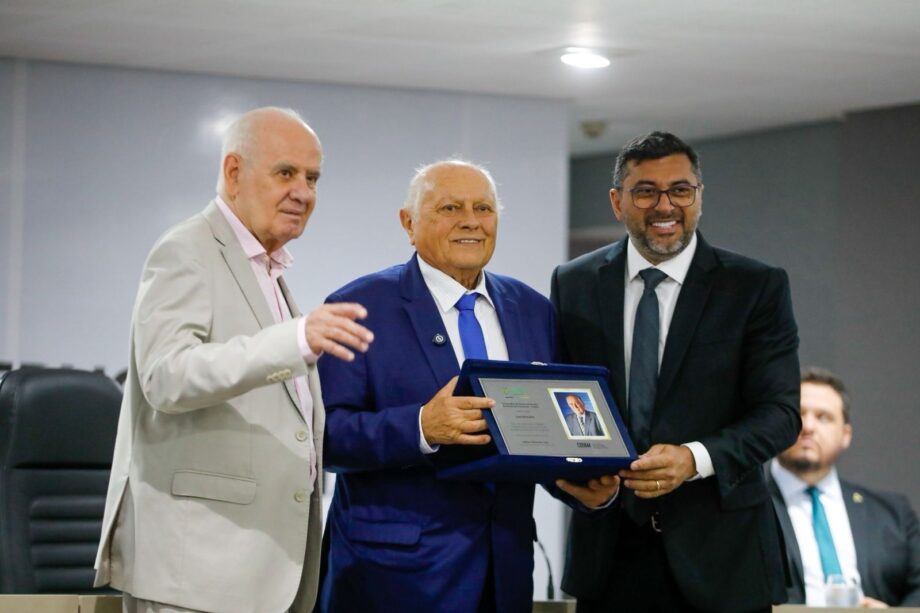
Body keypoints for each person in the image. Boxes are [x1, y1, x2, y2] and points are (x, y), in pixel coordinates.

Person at [93, 107, 373, 613]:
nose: (303, 192)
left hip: (263, 574)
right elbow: (166, 376)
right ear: (234, 172)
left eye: (312, 178)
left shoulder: (268, 269)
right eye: (285, 173)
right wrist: (294, 340)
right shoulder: (186, 249)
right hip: (198, 574)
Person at [317, 160, 617, 612]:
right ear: (408, 223)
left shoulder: (532, 309)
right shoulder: (357, 307)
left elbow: (540, 430)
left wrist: (580, 483)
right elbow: (327, 438)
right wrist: (422, 426)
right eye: (450, 208)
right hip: (391, 578)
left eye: (484, 208)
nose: (471, 221)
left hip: (505, 571)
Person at [551, 131, 801, 612]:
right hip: (609, 556)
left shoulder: (754, 286)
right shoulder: (574, 282)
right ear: (617, 202)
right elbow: (563, 399)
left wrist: (694, 458)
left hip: (724, 561)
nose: (665, 206)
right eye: (646, 191)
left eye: (680, 190)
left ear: (699, 196)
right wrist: (579, 483)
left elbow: (780, 415)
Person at [769, 367, 920, 608]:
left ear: (845, 434)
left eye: (823, 417)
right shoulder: (743, 508)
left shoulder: (893, 514)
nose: (808, 426)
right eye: (798, 414)